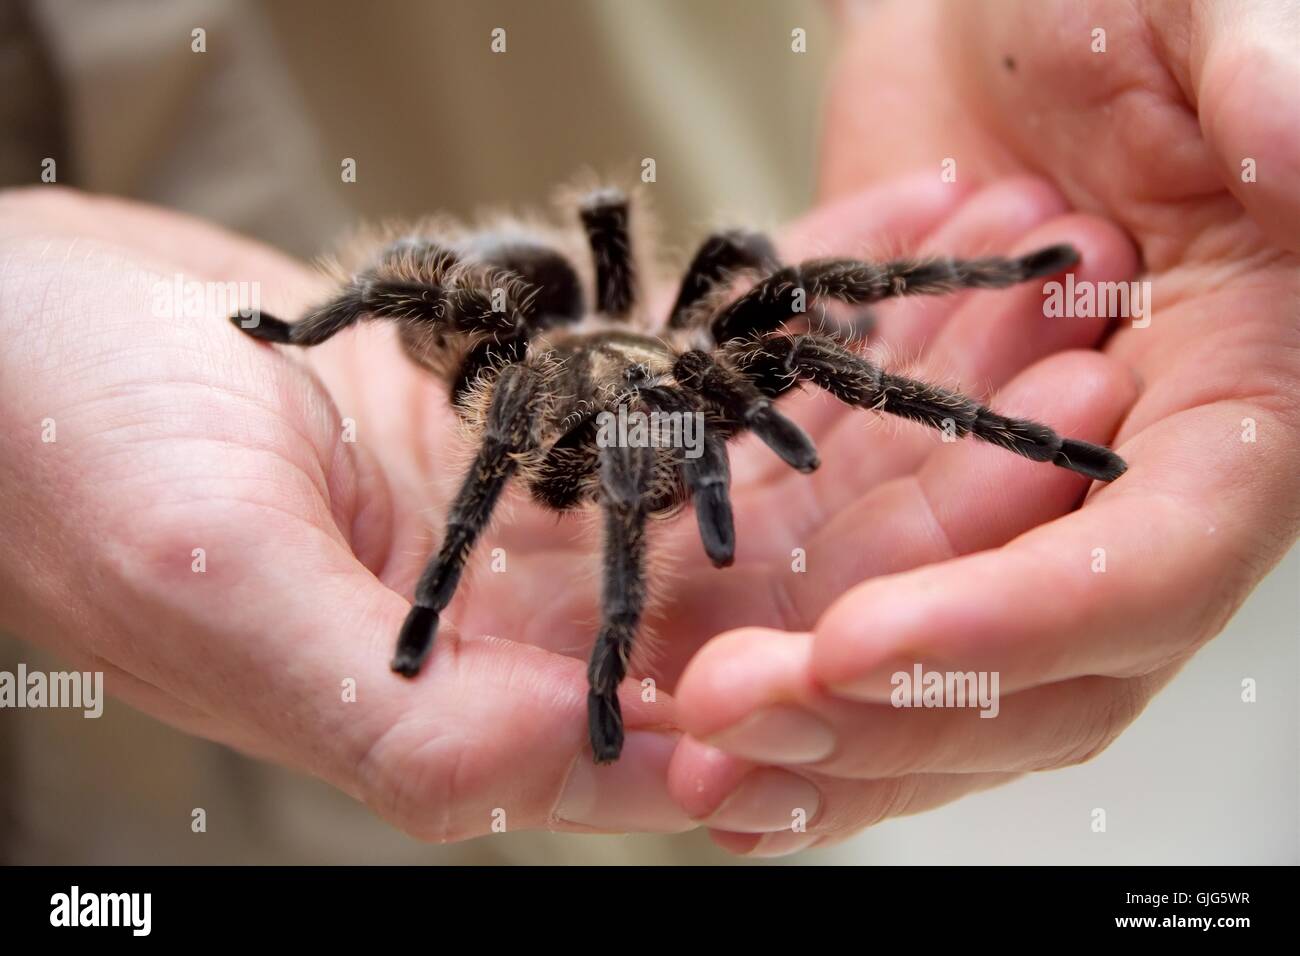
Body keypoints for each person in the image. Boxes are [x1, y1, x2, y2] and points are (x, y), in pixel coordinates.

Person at [0, 0, 1295, 860]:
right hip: (510, 346)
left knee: (769, 281)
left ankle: (1017, 378)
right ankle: (607, 665)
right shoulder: (528, 395)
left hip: (615, 270)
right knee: (514, 361)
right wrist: (477, 596)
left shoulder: (697, 351)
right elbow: (516, 406)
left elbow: (759, 281)